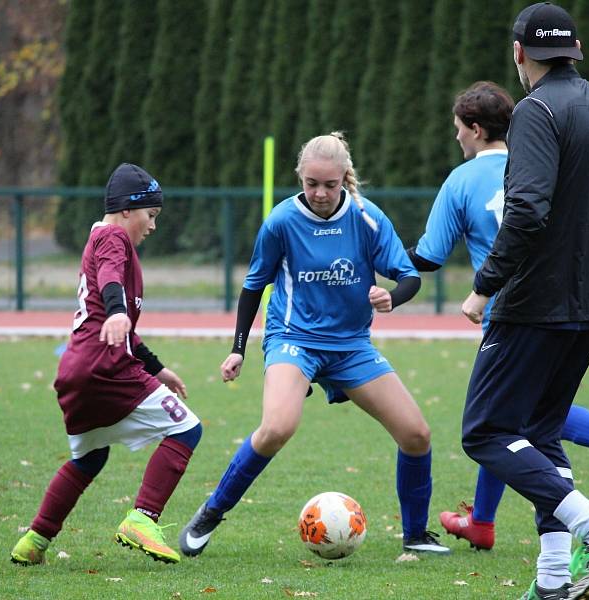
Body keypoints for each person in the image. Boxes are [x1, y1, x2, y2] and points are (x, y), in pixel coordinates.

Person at [178, 132, 449, 557]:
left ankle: (415, 533)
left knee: (416, 434)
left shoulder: (367, 217)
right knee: (277, 428)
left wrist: (391, 296)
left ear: (346, 178)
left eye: (330, 184)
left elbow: (408, 275)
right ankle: (211, 512)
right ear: (300, 178)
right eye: (311, 183)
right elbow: (253, 287)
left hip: (351, 345)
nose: (320, 193)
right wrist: (239, 348)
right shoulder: (281, 221)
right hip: (294, 340)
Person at [458, 4, 589, 599]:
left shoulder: (536, 111)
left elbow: (527, 209)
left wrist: (484, 285)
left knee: (485, 433)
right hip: (586, 307)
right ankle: (554, 583)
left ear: (520, 53)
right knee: (541, 432)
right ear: (577, 49)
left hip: (532, 304)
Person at [407, 81, 589, 555]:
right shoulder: (552, 155)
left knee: (491, 429)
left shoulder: (464, 180)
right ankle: (549, 568)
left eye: (458, 129)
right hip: (576, 304)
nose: (457, 138)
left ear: (475, 129)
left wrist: (379, 257)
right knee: (539, 428)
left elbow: (430, 256)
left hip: (513, 309)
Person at [10, 163, 202, 566]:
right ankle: (142, 519)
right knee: (187, 428)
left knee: (89, 457)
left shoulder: (99, 238)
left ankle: (34, 540)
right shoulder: (114, 237)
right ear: (128, 209)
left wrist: (157, 368)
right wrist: (117, 310)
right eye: (151, 216)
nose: (152, 226)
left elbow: (124, 330)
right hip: (105, 366)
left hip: (75, 370)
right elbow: (111, 283)